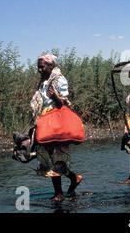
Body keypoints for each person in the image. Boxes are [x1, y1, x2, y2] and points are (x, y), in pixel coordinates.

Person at [30, 53, 83, 202]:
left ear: (51, 65)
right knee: (49, 158)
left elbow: (63, 104)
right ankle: (74, 178)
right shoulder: (43, 82)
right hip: (46, 121)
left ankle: (59, 193)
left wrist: (54, 97)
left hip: (58, 122)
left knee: (58, 157)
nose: (39, 70)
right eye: (38, 67)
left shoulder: (59, 80)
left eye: (42, 67)